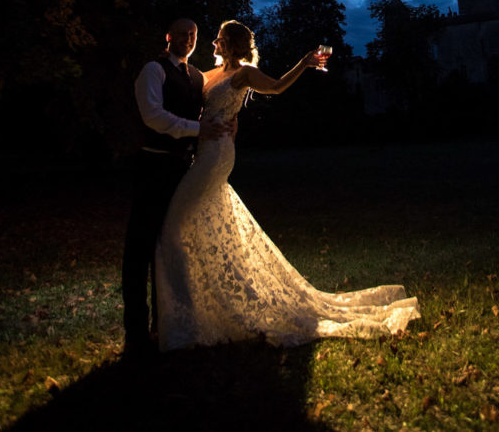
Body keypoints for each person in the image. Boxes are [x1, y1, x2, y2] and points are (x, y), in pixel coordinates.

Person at [155, 19, 420, 350]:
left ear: (232, 44)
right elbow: (191, 105)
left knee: (175, 225)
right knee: (189, 225)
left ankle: (185, 320)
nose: (212, 44)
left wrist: (305, 63)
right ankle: (198, 309)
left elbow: (278, 86)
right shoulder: (209, 75)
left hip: (217, 156)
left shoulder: (245, 73)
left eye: (219, 40)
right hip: (203, 151)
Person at [121, 18, 235, 355]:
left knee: (171, 245)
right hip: (153, 165)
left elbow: (215, 104)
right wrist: (197, 130)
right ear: (168, 36)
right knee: (140, 247)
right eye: (183, 34)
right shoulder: (153, 71)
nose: (189, 39)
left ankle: (168, 324)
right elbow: (153, 115)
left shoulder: (198, 76)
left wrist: (231, 118)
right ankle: (136, 332)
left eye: (194, 35)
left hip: (184, 170)